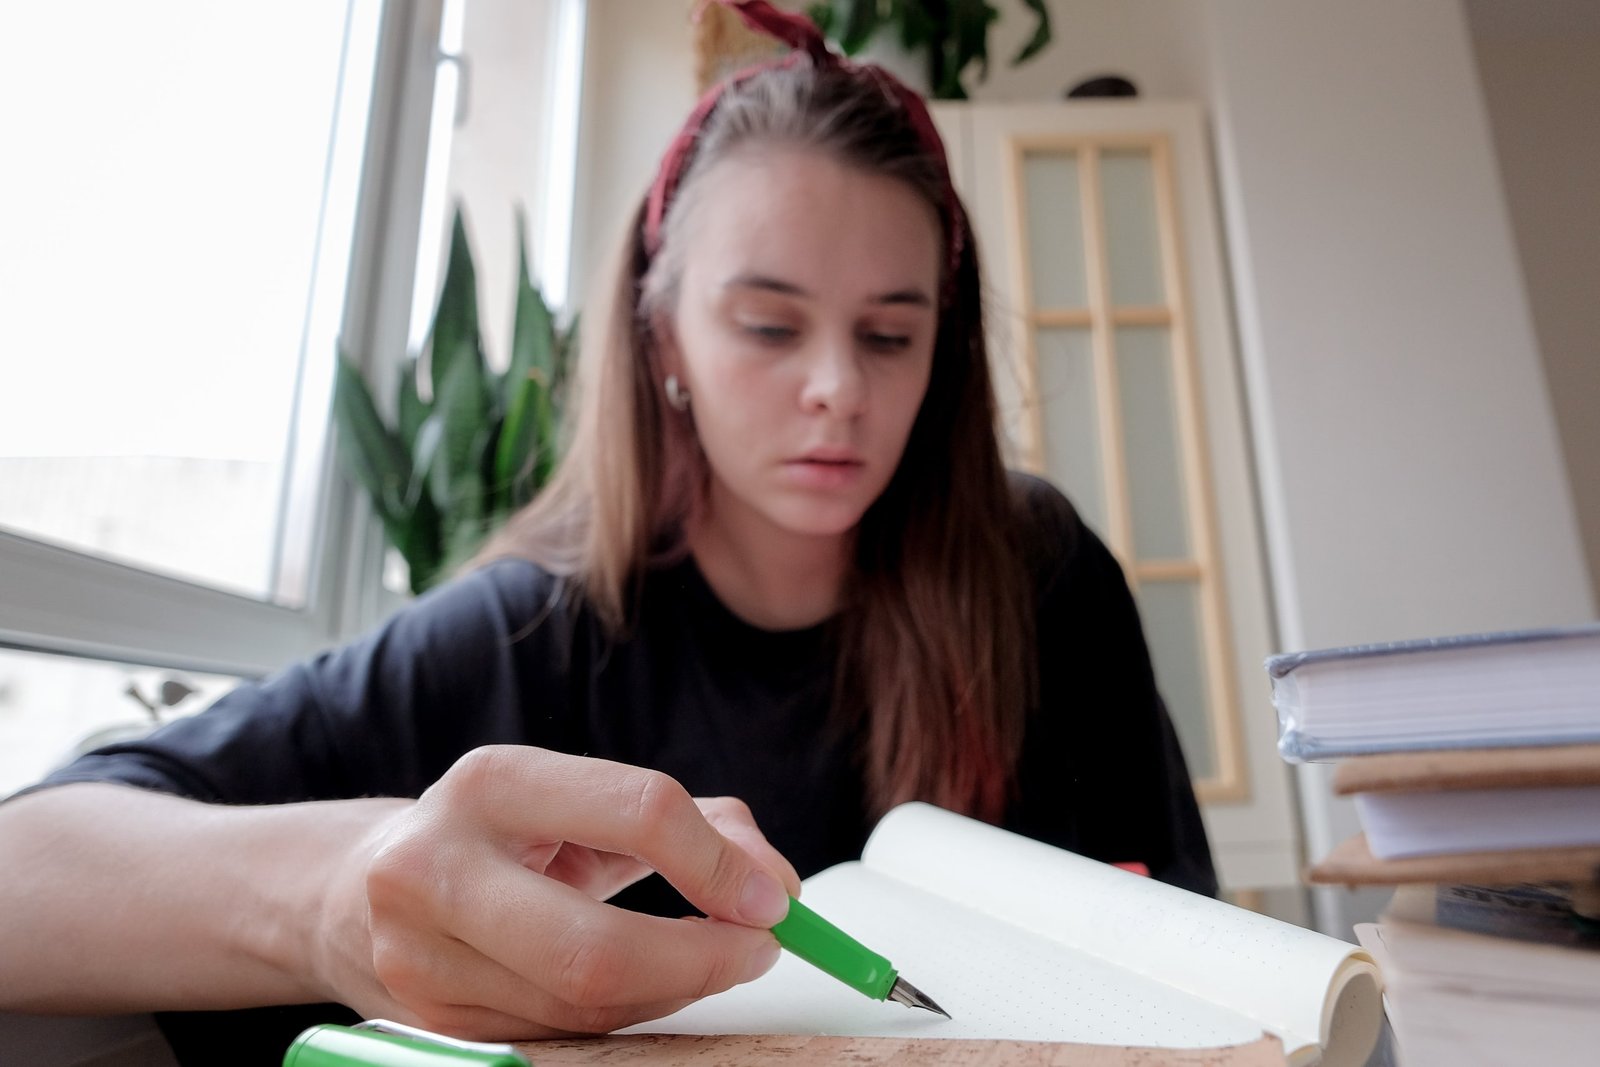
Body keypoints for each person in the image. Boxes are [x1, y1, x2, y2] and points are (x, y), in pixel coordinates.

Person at [0, 2, 1215, 1063]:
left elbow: (1195, 936)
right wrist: (339, 899)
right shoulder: (527, 627)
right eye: (769, 325)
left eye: (891, 335)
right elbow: (28, 869)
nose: (839, 387)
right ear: (663, 337)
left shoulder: (1036, 570)